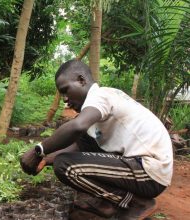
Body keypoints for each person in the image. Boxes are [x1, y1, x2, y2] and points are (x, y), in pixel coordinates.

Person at [20, 60, 173, 219]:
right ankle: (110, 205)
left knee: (66, 166)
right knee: (81, 146)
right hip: (143, 169)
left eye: (66, 90)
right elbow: (80, 146)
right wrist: (44, 160)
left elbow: (76, 126)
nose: (65, 99)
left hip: (149, 170)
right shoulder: (97, 107)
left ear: (81, 80)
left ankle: (135, 203)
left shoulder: (100, 96)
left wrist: (38, 150)